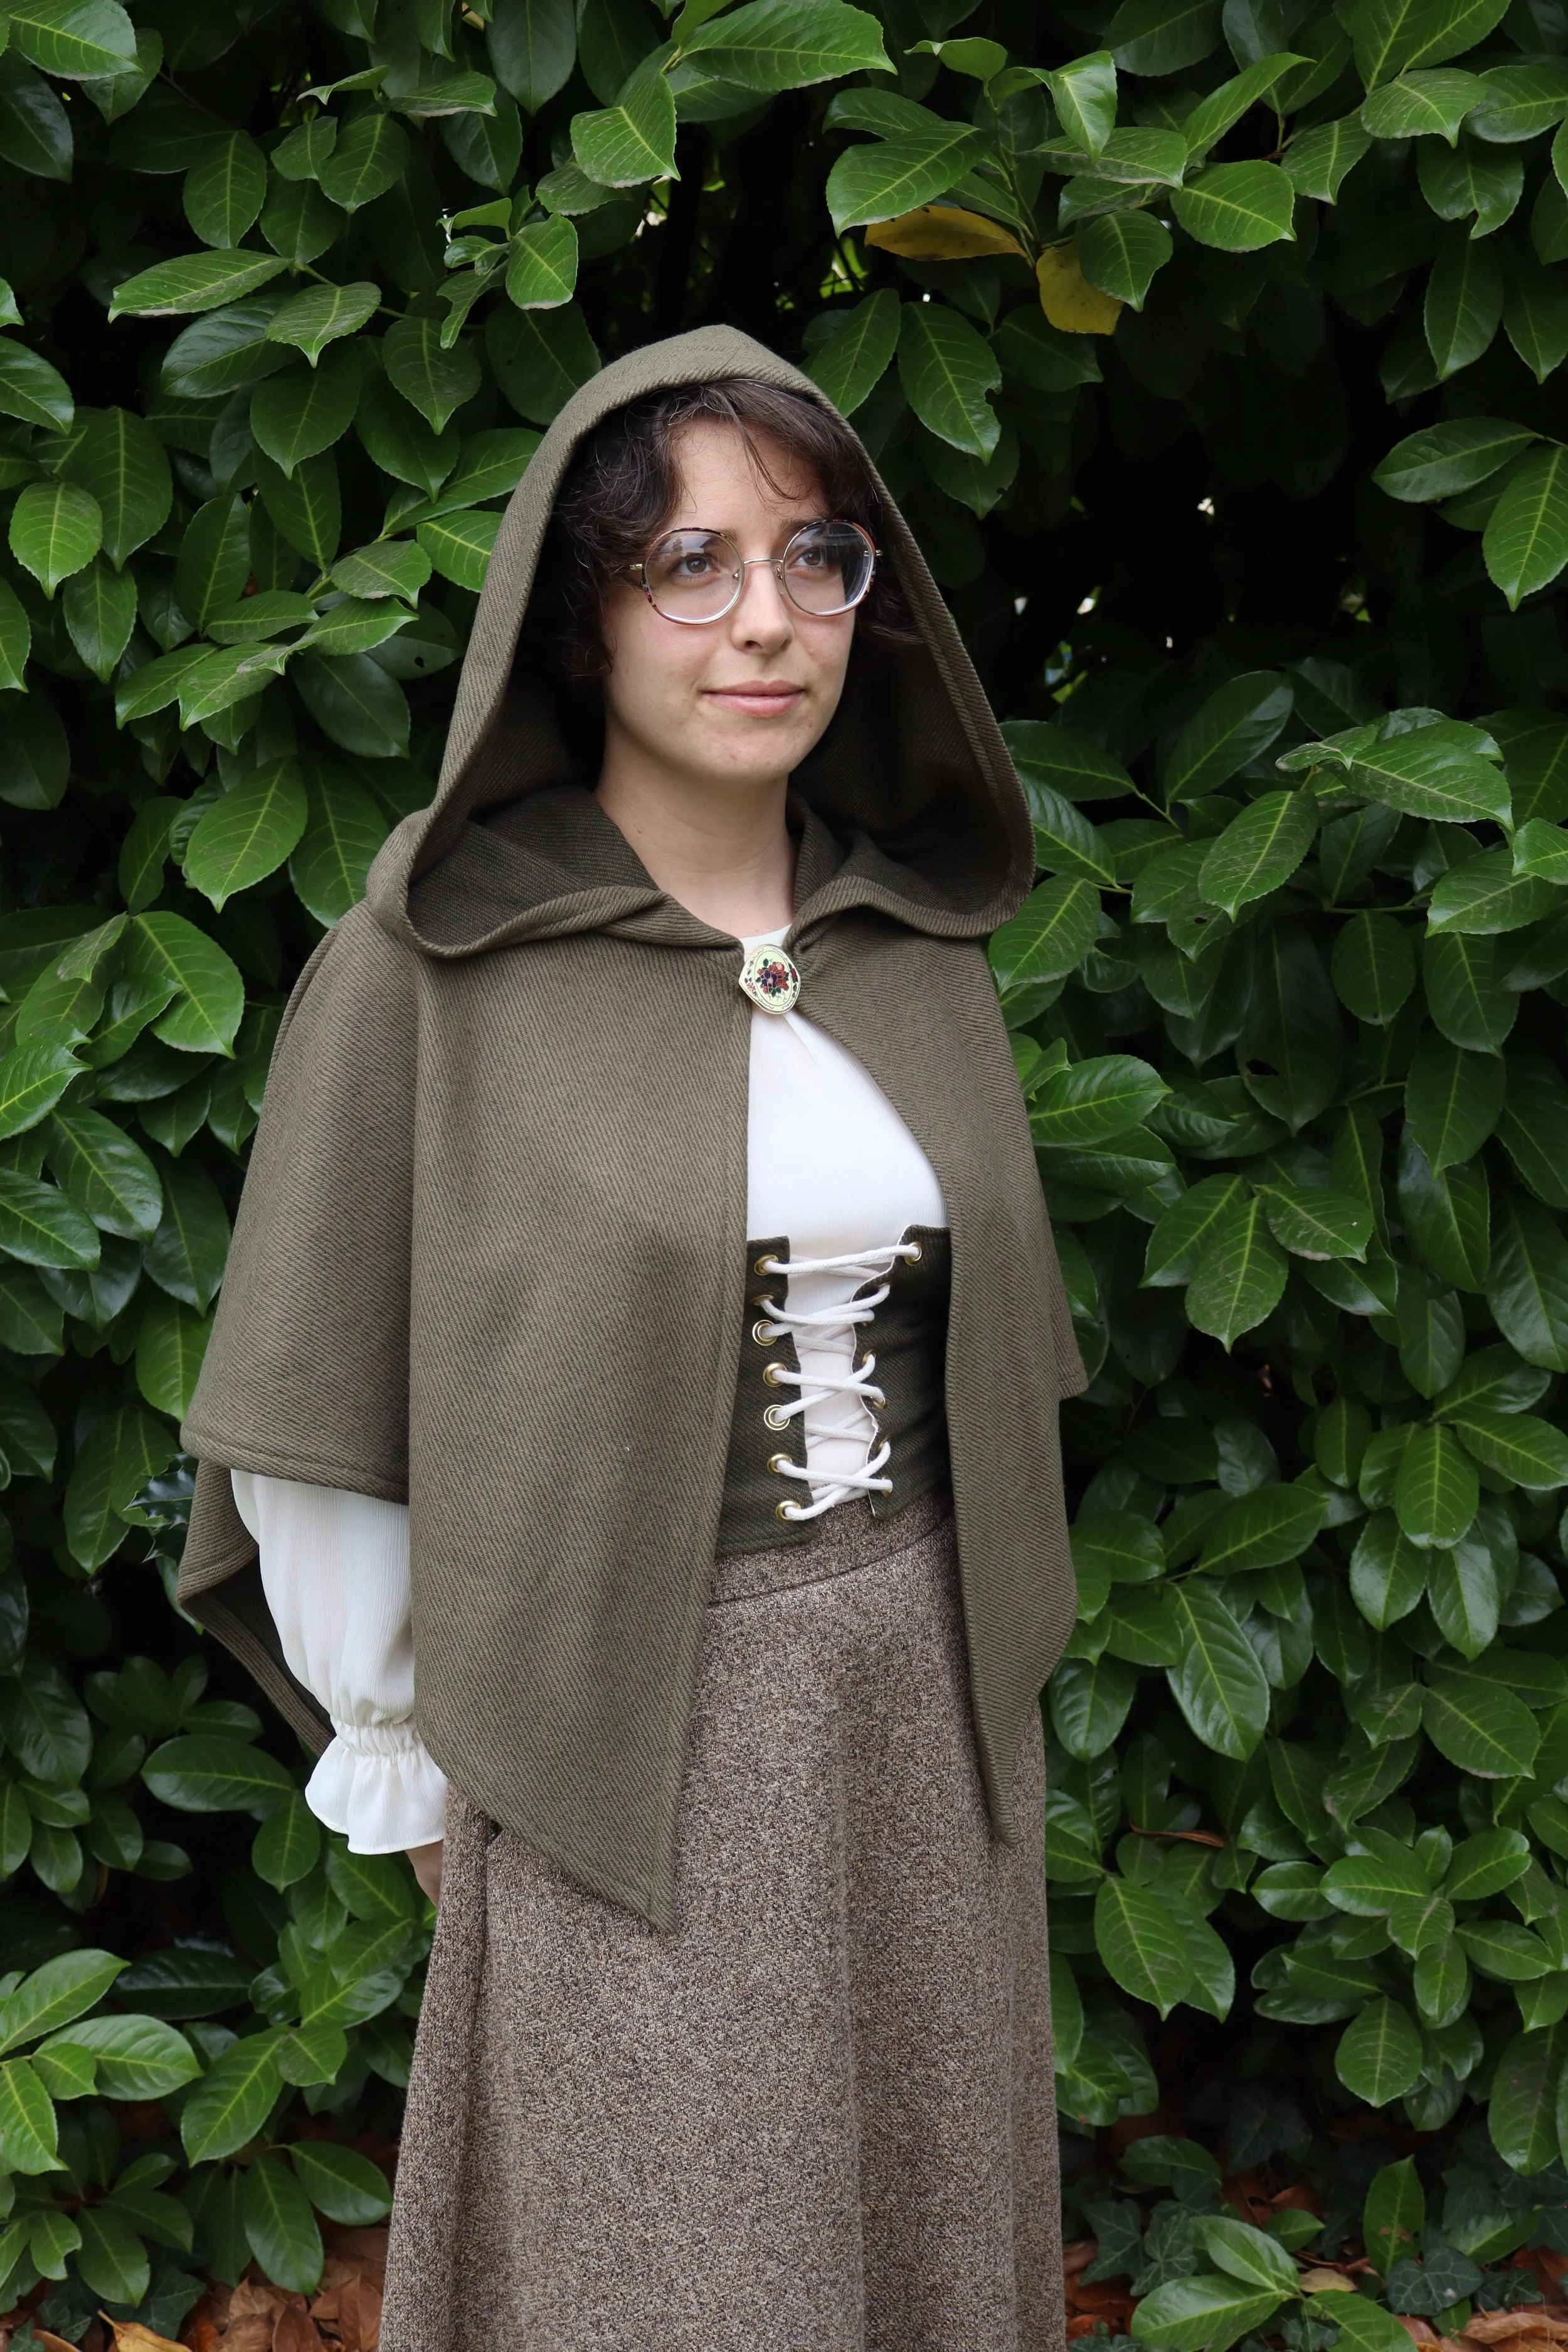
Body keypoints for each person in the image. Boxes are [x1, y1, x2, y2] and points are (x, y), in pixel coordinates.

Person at [176, 325, 1086, 2352]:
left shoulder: (909, 946)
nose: (764, 619)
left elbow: (995, 1357)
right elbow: (322, 1417)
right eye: (689, 563)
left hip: (925, 1709)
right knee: (672, 2285)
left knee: (918, 2254)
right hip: (620, 1731)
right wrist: (413, 1770)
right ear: (576, 615)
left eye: (811, 559)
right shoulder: (434, 962)